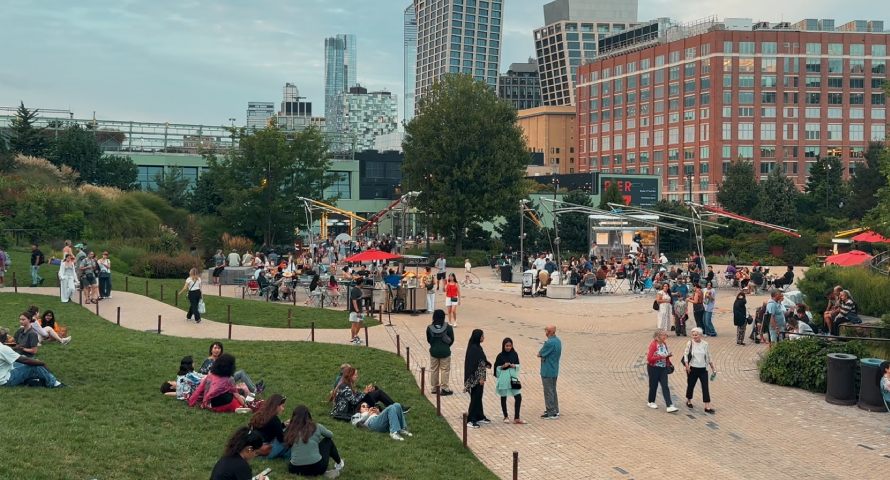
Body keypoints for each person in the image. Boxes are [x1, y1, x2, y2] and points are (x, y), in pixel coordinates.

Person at [285, 405, 345, 478]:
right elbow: (330, 435)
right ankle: (339, 463)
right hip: (317, 467)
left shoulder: (291, 429)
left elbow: (287, 443)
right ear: (308, 415)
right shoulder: (316, 426)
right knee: (328, 441)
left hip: (294, 469)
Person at [328, 365, 401, 420]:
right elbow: (354, 401)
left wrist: (366, 392)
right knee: (373, 394)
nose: (357, 376)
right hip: (345, 412)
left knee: (372, 393)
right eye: (355, 375)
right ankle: (386, 411)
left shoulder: (347, 384)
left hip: (349, 408)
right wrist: (364, 393)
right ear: (350, 376)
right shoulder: (344, 386)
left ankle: (384, 410)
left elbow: (353, 396)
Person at [682, 328, 717, 413]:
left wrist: (713, 368)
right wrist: (686, 365)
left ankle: (707, 406)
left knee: (705, 387)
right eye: (693, 335)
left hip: (703, 369)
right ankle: (689, 400)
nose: (694, 336)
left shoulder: (705, 344)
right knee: (691, 385)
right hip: (692, 369)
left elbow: (708, 356)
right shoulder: (690, 343)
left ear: (700, 335)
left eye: (696, 335)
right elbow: (685, 354)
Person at [0, 341, 64, 388]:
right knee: (35, 366)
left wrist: (15, 348)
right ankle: (54, 383)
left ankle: (32, 380)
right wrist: (42, 363)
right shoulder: (3, 348)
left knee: (23, 360)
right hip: (4, 381)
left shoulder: (3, 348)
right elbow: (25, 360)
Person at [249, 394, 291, 459]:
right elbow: (281, 439)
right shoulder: (274, 419)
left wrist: (283, 425)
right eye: (282, 406)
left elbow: (268, 429)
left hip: (254, 447)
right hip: (265, 451)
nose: (283, 409)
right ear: (276, 406)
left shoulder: (260, 414)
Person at [494, 337, 525, 424]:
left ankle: (517, 418)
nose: (508, 347)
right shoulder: (500, 356)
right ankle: (505, 416)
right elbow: (496, 369)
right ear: (503, 346)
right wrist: (502, 366)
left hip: (513, 378)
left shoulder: (514, 354)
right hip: (504, 379)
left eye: (510, 346)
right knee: (503, 397)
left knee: (518, 396)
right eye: (506, 346)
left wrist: (514, 366)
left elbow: (518, 365)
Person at [464, 329, 492, 428]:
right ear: (478, 337)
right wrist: (481, 378)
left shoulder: (477, 347)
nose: (483, 337)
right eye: (482, 336)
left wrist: (487, 364)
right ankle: (470, 419)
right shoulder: (474, 349)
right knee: (475, 398)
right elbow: (477, 365)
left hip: (478, 377)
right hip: (476, 379)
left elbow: (482, 361)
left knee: (478, 397)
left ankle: (480, 416)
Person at [646, 330, 678, 412]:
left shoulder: (664, 344)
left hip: (663, 368)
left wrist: (668, 357)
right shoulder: (653, 345)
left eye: (665, 335)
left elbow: (665, 355)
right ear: (657, 337)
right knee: (653, 385)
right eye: (663, 335)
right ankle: (651, 401)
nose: (665, 336)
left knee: (665, 386)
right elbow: (649, 359)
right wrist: (661, 357)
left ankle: (669, 405)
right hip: (653, 368)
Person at [426, 309, 454, 396]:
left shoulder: (429, 328)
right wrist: (446, 346)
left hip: (434, 351)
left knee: (434, 370)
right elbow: (452, 340)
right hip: (445, 352)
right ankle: (444, 388)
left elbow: (429, 340)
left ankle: (434, 388)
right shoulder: (448, 327)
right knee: (445, 370)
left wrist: (434, 345)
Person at [538, 325, 562, 419]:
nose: (545, 332)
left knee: (548, 391)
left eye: (547, 330)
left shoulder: (549, 343)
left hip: (547, 370)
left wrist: (541, 355)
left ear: (550, 332)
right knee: (553, 390)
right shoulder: (558, 341)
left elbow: (540, 353)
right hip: (554, 369)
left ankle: (551, 412)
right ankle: (555, 409)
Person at [347, 281, 364, 345]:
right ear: (361, 283)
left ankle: (355, 336)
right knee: (355, 323)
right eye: (363, 283)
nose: (364, 284)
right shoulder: (354, 290)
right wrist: (357, 311)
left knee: (360, 322)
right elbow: (354, 301)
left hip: (360, 310)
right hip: (355, 311)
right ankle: (353, 338)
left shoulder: (359, 290)